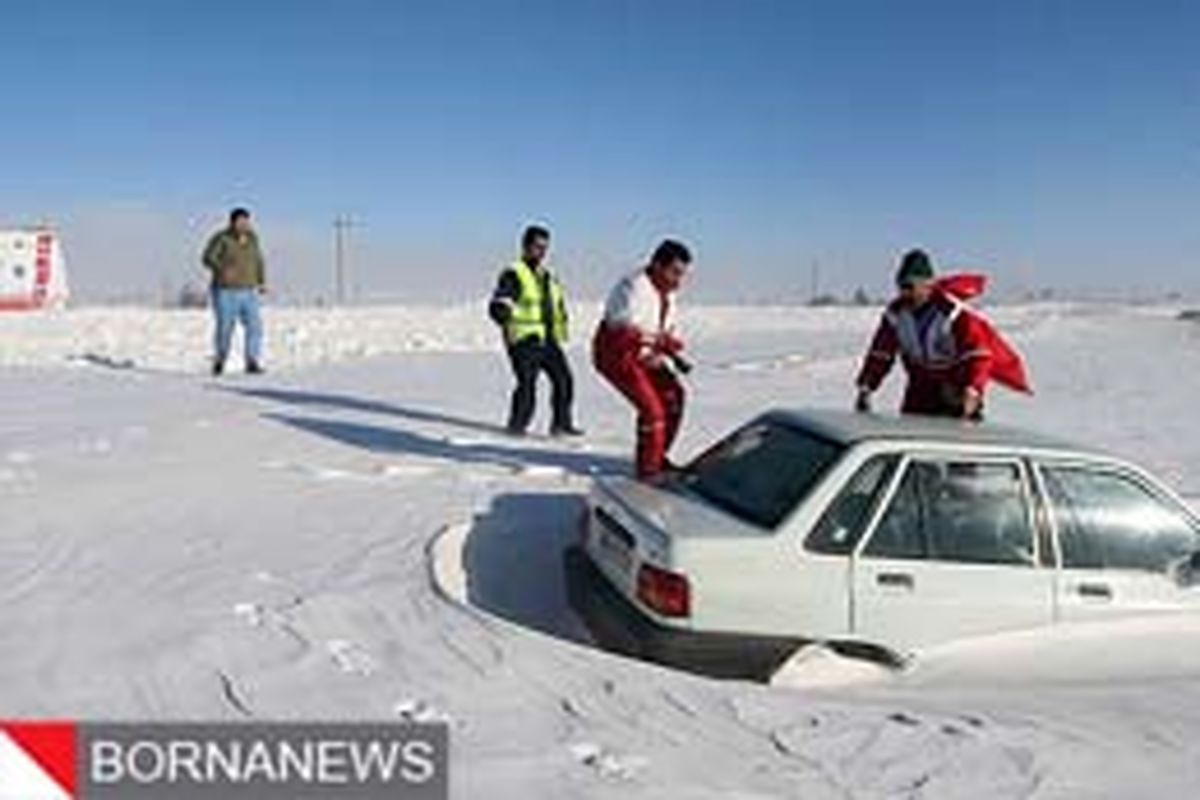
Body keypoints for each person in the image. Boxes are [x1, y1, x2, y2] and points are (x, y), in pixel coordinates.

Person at [855, 248, 1031, 419]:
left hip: (954, 385)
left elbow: (977, 353)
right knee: (912, 432)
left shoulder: (952, 313)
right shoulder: (895, 315)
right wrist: (866, 386)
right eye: (901, 286)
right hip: (920, 386)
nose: (905, 293)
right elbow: (880, 354)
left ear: (928, 285)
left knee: (956, 436)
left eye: (910, 286)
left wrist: (973, 389)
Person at [593, 239, 694, 480]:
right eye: (674, 272)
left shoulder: (667, 295)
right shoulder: (632, 286)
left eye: (682, 274)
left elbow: (664, 330)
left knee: (674, 397)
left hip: (644, 355)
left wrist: (668, 346)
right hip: (617, 357)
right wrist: (657, 342)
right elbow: (625, 329)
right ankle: (648, 473)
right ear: (658, 265)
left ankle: (657, 456)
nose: (678, 280)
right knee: (653, 411)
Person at [488, 225, 582, 437]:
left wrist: (561, 323)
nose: (541, 251)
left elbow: (554, 305)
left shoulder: (547, 276)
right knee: (527, 385)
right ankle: (517, 428)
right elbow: (502, 298)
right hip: (524, 339)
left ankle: (561, 425)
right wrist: (500, 309)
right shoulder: (514, 273)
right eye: (537, 246)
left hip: (547, 340)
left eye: (544, 247)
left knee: (564, 380)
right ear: (525, 246)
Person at [201, 208, 267, 376]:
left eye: (246, 221)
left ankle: (252, 361)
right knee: (225, 329)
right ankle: (220, 359)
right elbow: (207, 258)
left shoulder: (253, 239)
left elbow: (259, 260)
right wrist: (222, 269)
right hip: (225, 291)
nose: (243, 224)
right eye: (240, 221)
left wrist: (261, 281)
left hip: (249, 290)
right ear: (232, 222)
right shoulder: (221, 238)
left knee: (255, 326)